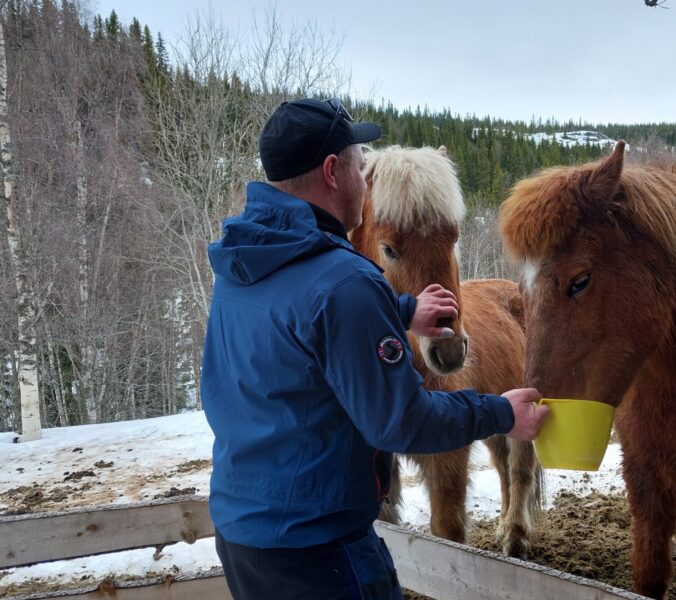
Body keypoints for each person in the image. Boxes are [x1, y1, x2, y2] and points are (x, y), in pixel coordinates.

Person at [202, 98, 549, 600]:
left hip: (242, 536)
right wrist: (499, 412)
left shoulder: (242, 263)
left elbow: (300, 331)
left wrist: (403, 312)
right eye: (360, 167)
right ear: (331, 172)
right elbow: (401, 422)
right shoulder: (345, 283)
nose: (367, 181)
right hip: (322, 552)